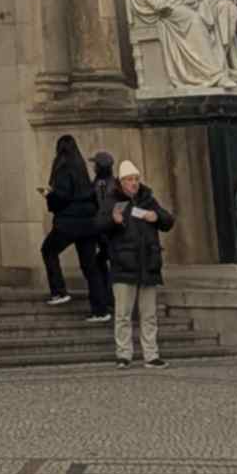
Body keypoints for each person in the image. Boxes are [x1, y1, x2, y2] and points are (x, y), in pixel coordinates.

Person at [103, 152, 174, 368]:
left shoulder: (148, 199)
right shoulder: (112, 200)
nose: (134, 183)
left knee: (149, 314)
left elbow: (168, 220)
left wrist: (157, 216)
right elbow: (98, 225)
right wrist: (113, 221)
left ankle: (151, 354)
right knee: (123, 314)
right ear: (121, 182)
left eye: (136, 179)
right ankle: (123, 354)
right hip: (124, 264)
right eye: (129, 180)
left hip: (148, 264)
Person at [40, 131, 101, 305]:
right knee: (90, 266)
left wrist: (49, 195)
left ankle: (59, 291)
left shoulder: (63, 168)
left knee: (48, 251)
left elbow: (62, 196)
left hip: (68, 223)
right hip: (87, 224)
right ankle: (101, 308)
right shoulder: (81, 169)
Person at [79, 148, 115, 322]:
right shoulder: (108, 182)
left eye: (95, 164)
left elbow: (102, 207)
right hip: (105, 231)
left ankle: (109, 299)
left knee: (104, 263)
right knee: (101, 262)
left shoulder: (103, 185)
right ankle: (108, 298)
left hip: (106, 231)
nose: (93, 167)